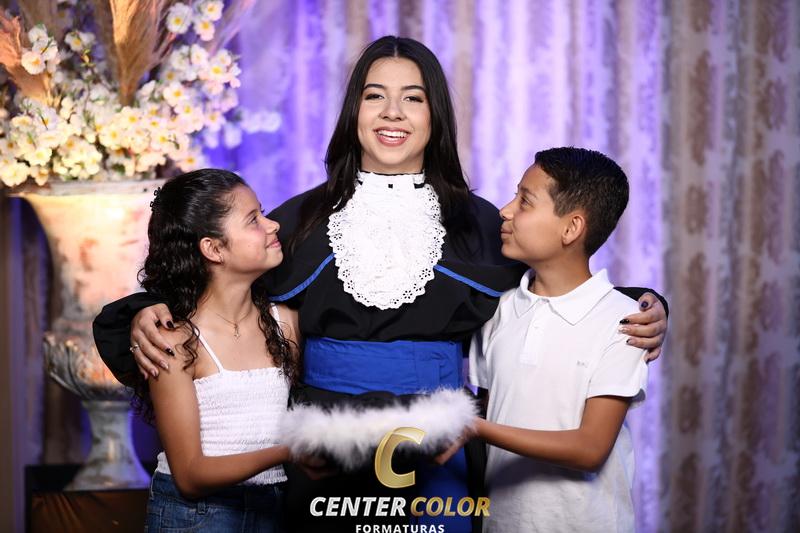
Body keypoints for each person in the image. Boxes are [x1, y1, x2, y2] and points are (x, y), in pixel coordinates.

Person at [93, 37, 668, 533]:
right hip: (323, 449)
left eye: (413, 98)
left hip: (438, 445)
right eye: (375, 96)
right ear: (354, 111)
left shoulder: (479, 224)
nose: (393, 113)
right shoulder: (299, 220)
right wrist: (146, 311)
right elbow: (209, 279)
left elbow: (559, 282)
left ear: (435, 116)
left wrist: (646, 304)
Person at [439, 147, 651, 532]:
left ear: (571, 228)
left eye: (524, 201)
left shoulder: (623, 322)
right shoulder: (498, 310)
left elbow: (590, 449)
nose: (505, 211)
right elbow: (492, 408)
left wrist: (476, 428)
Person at [124, 169, 299, 532]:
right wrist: (292, 451)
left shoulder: (285, 322)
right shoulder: (174, 340)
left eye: (263, 213)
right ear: (214, 248)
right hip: (195, 516)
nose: (273, 226)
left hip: (273, 509)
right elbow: (190, 476)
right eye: (253, 220)